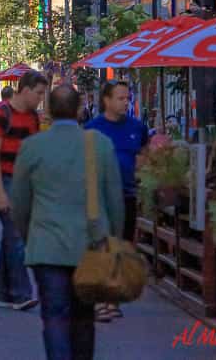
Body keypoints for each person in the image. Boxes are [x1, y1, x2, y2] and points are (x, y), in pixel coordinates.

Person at [11, 85, 125, 360]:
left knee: (54, 317)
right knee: (84, 317)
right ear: (79, 109)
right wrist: (114, 241)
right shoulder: (98, 144)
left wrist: (29, 236)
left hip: (46, 246)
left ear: (48, 110)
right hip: (90, 245)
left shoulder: (33, 146)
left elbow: (20, 202)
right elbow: (115, 201)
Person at [83, 80, 149, 322]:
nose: (125, 103)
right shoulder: (92, 128)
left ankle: (112, 299)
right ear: (106, 100)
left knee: (120, 245)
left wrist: (140, 169)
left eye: (127, 98)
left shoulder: (137, 127)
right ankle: (101, 300)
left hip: (127, 194)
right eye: (120, 98)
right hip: (99, 196)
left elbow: (143, 152)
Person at [0, 69, 47, 311]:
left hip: (24, 182)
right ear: (25, 90)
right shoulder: (0, 114)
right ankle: (22, 293)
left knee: (11, 236)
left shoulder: (32, 117)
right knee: (17, 235)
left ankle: (3, 292)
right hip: (6, 180)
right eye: (39, 93)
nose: (41, 98)